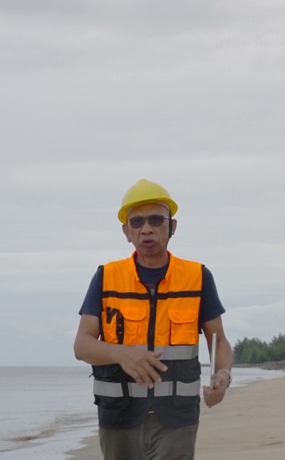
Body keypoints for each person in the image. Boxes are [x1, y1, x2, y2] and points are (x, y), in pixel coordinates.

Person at [74, 179, 233, 460]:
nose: (146, 228)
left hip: (177, 418)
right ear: (126, 231)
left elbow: (218, 340)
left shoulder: (198, 277)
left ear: (172, 226)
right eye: (136, 222)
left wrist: (223, 375)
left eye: (156, 219)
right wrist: (121, 353)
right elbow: (82, 345)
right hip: (118, 417)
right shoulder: (106, 277)